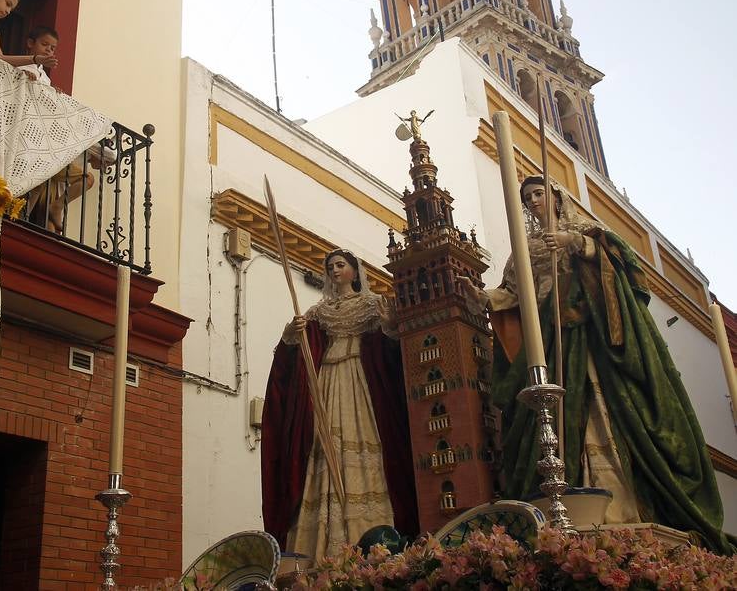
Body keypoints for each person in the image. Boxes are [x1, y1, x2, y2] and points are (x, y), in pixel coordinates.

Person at [462, 176, 729, 552]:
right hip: (549, 344)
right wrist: (484, 297)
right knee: (549, 414)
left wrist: (579, 245)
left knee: (602, 408)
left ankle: (624, 506)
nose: (535, 201)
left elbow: (625, 267)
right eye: (528, 198)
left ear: (555, 197)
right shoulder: (525, 249)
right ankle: (563, 503)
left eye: (540, 193)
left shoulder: (586, 232)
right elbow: (512, 293)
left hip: (590, 338)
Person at [261, 249, 418, 561]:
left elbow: (390, 352)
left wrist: (389, 328)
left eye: (340, 265)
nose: (334, 270)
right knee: (323, 445)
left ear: (355, 271)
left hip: (359, 380)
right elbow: (299, 349)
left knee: (364, 441)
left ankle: (375, 540)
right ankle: (320, 547)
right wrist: (291, 335)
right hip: (328, 380)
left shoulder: (372, 305)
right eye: (330, 266)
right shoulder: (321, 311)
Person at [16, 25, 101, 233]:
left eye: (52, 48)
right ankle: (19, 219)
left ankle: (55, 205)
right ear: (30, 43)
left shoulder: (45, 78)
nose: (48, 51)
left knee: (85, 179)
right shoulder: (20, 66)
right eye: (45, 45)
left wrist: (53, 93)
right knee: (34, 182)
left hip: (47, 143)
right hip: (28, 137)